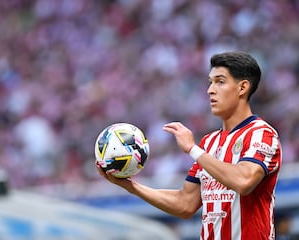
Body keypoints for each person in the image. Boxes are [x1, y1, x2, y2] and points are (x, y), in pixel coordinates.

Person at [96, 51, 282, 240]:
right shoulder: (209, 143)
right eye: (210, 82)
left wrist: (193, 149)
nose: (210, 90)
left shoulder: (262, 134)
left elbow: (243, 182)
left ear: (242, 87)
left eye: (220, 81)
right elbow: (185, 204)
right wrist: (131, 186)